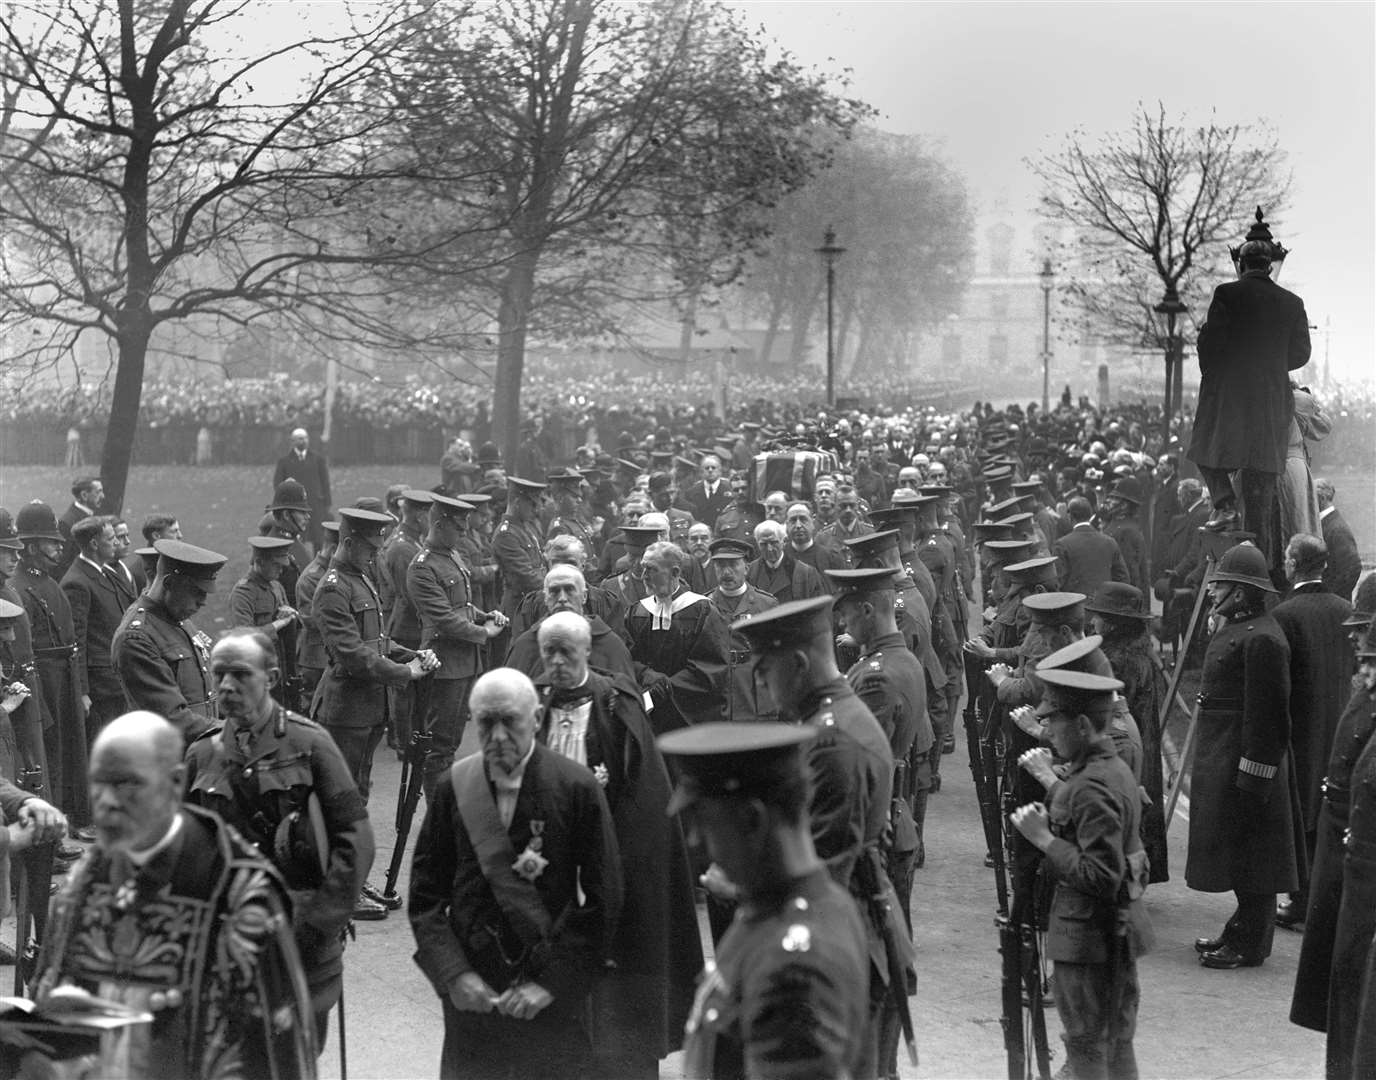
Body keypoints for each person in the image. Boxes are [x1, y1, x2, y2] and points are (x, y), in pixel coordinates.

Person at [28, 711, 315, 1079]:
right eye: (98, 784)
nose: (107, 802)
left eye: (127, 784)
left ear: (175, 782)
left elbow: (275, 1054)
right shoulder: (82, 884)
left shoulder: (240, 895)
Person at [408, 668, 622, 1080]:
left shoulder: (576, 787)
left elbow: (604, 897)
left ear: (537, 719)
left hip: (548, 988)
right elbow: (425, 896)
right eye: (487, 722)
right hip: (473, 994)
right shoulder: (453, 786)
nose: (499, 735)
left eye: (511, 721)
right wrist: (454, 973)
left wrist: (554, 984)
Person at [731, 596, 913, 1079]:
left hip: (841, 938)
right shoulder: (834, 721)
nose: (761, 684)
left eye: (766, 671)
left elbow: (825, 866)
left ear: (797, 663)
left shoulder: (833, 740)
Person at [184, 628, 375, 1048]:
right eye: (219, 675)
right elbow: (185, 852)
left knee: (292, 1060)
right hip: (224, 947)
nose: (227, 686)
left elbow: (356, 841)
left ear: (270, 678)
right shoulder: (201, 755)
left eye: (240, 674)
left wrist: (318, 924)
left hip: (300, 947)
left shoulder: (310, 744)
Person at [533, 613, 702, 1079]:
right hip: (551, 855)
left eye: (567, 652)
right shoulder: (536, 701)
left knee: (622, 954)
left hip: (614, 852)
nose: (558, 662)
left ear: (587, 651)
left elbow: (641, 789)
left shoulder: (616, 702)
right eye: (549, 653)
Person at [658, 722, 869, 1080]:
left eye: (704, 823)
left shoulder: (794, 966)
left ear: (752, 819)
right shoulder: (812, 905)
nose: (694, 841)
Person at [1011, 667, 1154, 1080]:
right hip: (1113, 937)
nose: (1045, 728)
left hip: (1090, 940)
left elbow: (1101, 875)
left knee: (1087, 1050)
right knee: (1116, 1046)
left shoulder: (1091, 782)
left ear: (1083, 724)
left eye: (1053, 719)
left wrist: (1044, 839)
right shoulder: (1108, 769)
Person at [1187, 543, 1301, 969]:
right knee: (1237, 853)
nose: (1213, 591)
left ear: (1242, 592)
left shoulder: (1265, 639)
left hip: (1246, 760)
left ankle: (1249, 944)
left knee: (1255, 860)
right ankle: (1238, 931)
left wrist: (1253, 778)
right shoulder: (1238, 627)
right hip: (1223, 752)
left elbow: (1268, 717)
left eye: (1222, 585)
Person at [1187, 209, 1310, 575]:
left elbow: (1211, 348)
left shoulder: (1227, 294)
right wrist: (1270, 365)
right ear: (1270, 265)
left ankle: (1223, 503)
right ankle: (1259, 573)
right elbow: (1300, 354)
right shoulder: (1292, 303)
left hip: (1230, 402)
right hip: (1270, 406)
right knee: (1259, 499)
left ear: (1241, 263)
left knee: (1202, 449)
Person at [310, 508, 435, 814]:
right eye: (370, 549)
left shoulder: (359, 579)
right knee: (340, 798)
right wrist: (404, 671)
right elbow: (352, 653)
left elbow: (377, 642)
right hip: (345, 712)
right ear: (350, 544)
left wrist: (411, 655)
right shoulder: (333, 587)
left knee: (359, 792)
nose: (375, 556)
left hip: (368, 708)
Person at [1289, 622, 1376, 1045]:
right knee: (1341, 993)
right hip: (1343, 852)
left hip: (1359, 869)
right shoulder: (1364, 696)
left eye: (1362, 633)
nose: (1355, 642)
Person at [1271, 533, 1354, 928]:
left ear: (1293, 563)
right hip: (1338, 723)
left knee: (1300, 811)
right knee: (1330, 812)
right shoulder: (1345, 608)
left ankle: (1302, 901)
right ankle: (1323, 900)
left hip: (1300, 728)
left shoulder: (1286, 613)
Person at [406, 493, 508, 797]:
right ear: (439, 524)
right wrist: (484, 633)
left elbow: (461, 605)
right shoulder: (422, 567)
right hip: (444, 665)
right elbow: (444, 618)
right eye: (458, 527)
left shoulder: (451, 555)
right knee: (438, 747)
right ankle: (439, 814)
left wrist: (484, 615)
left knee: (451, 742)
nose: (464, 532)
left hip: (464, 662)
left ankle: (448, 806)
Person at [14, 503, 90, 838]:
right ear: (30, 547)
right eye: (50, 541)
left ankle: (67, 824)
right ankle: (50, 841)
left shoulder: (49, 583)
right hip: (44, 682)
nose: (59, 546)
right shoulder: (19, 588)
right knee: (50, 758)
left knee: (70, 753)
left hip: (63, 680)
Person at [111, 539, 226, 745]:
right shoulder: (136, 638)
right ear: (169, 584)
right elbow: (171, 718)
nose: (203, 602)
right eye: (196, 592)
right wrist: (231, 730)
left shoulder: (180, 620)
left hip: (200, 751)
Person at [621, 540, 730, 734]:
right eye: (643, 569)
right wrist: (647, 676)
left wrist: (665, 687)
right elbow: (627, 658)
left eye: (651, 570)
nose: (644, 576)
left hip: (690, 716)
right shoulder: (637, 612)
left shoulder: (702, 610)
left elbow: (711, 667)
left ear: (675, 573)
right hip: (649, 715)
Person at [505, 565, 634, 683]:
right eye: (554, 591)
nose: (562, 598)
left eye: (569, 590)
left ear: (584, 596)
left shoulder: (610, 644)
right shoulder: (526, 644)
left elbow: (626, 698)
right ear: (546, 598)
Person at [705, 537, 779, 724]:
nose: (727, 572)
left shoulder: (766, 604)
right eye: (720, 565)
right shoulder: (704, 605)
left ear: (746, 568)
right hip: (721, 687)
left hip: (755, 688)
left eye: (733, 565)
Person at [228, 535, 301, 707]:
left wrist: (292, 615)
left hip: (280, 666)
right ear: (259, 562)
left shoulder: (276, 586)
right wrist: (277, 624)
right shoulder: (243, 592)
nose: (281, 570)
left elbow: (291, 625)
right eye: (276, 565)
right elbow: (244, 637)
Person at [1054, 497, 1129, 598]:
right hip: (1104, 607)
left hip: (1075, 608)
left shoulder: (1061, 544)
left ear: (1070, 516)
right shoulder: (1110, 542)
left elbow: (1058, 583)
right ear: (1090, 515)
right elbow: (1123, 578)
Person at [274, 427, 333, 552]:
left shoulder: (318, 460)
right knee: (297, 538)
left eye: (306, 438)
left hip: (315, 505)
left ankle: (320, 564)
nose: (304, 441)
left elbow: (325, 482)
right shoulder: (284, 462)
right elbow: (278, 484)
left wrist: (327, 503)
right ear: (293, 441)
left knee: (319, 538)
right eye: (300, 439)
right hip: (295, 507)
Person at [747, 520, 828, 604]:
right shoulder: (749, 572)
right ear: (757, 544)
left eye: (774, 543)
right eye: (763, 544)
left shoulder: (806, 573)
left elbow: (819, 609)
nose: (769, 549)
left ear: (784, 541)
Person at [1316, 478, 1362, 602]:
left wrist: (1332, 595)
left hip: (1334, 605)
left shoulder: (1336, 528)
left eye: (1311, 498)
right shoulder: (1328, 523)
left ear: (1322, 499)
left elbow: (1353, 568)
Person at [56, 478, 103, 576]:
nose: (103, 496)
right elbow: (63, 564)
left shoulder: (93, 517)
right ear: (84, 495)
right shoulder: (67, 523)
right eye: (98, 492)